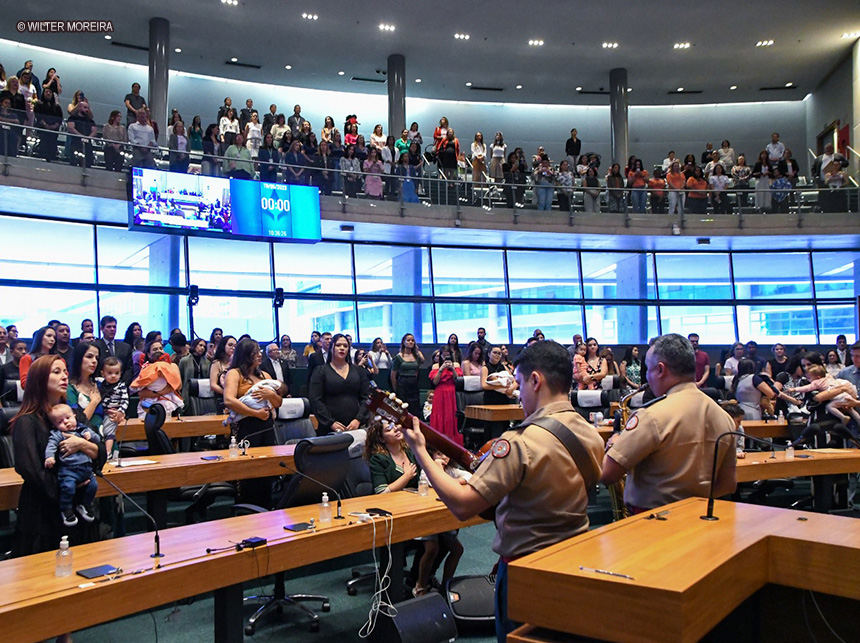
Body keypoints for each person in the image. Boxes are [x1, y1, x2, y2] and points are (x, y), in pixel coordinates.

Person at [403, 340, 604, 642]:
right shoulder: (590, 432)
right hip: (572, 561)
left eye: (519, 384)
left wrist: (420, 451)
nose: (517, 394)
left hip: (527, 571)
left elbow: (461, 506)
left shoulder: (519, 443)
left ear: (536, 381)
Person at [600, 334, 737, 514]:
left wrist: (615, 444)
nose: (647, 377)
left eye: (648, 369)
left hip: (652, 520)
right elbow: (728, 484)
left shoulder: (652, 416)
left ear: (660, 369)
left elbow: (607, 474)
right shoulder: (724, 417)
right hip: (701, 516)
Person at [12, 355, 105, 559]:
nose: (64, 376)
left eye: (64, 371)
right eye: (56, 372)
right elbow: (30, 469)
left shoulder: (75, 415)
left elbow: (100, 454)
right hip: (44, 512)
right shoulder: (27, 421)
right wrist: (67, 489)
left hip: (78, 509)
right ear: (39, 379)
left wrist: (81, 444)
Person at [223, 338, 285, 508]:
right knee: (247, 472)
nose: (259, 355)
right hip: (245, 428)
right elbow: (228, 400)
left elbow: (278, 402)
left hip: (266, 427)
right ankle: (244, 508)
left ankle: (265, 506)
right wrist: (254, 413)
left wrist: (270, 395)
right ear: (245, 354)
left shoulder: (264, 376)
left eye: (259, 351)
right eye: (255, 352)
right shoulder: (234, 373)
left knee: (266, 470)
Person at [44, 403, 100, 527]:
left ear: (74, 416)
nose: (66, 422)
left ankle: (84, 504)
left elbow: (98, 440)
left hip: (86, 469)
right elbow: (51, 445)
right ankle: (66, 509)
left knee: (93, 486)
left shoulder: (83, 429)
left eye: (68, 418)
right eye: (60, 421)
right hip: (69, 470)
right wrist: (49, 457)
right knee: (68, 488)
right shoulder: (58, 434)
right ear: (55, 425)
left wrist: (91, 436)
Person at [309, 333, 371, 435]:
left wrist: (358, 419)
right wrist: (330, 422)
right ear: (331, 348)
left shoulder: (358, 371)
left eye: (345, 346)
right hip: (329, 428)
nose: (342, 348)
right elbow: (316, 400)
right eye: (338, 345)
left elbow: (367, 398)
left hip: (355, 427)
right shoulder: (320, 371)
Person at [786, 364, 860, 427]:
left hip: (838, 397)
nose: (808, 379)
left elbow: (808, 389)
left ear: (817, 377)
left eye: (809, 378)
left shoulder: (816, 382)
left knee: (829, 406)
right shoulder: (828, 377)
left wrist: (794, 389)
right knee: (850, 409)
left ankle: (843, 417)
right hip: (845, 395)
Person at [428, 348, 464, 446]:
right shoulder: (436, 366)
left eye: (447, 355)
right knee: (440, 414)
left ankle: (453, 443)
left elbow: (458, 380)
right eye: (443, 355)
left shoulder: (456, 365)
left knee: (452, 415)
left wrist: (452, 369)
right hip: (440, 392)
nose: (445, 358)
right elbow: (435, 382)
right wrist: (441, 369)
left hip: (452, 393)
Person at [94, 315, 134, 386]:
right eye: (109, 327)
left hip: (122, 387)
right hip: (101, 387)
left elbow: (129, 369)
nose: (112, 329)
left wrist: (121, 384)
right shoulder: (96, 347)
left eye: (114, 327)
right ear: (102, 328)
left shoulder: (125, 347)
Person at [391, 333, 425, 414]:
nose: (411, 342)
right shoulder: (399, 357)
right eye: (408, 340)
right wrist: (396, 390)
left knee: (414, 408)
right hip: (402, 384)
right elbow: (393, 375)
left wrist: (418, 352)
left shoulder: (416, 356)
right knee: (403, 409)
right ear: (404, 342)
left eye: (412, 340)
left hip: (413, 384)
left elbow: (421, 363)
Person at [811, 143, 849, 213]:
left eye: (830, 148)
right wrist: (815, 176)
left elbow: (846, 163)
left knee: (837, 197)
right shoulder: (819, 158)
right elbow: (813, 168)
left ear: (833, 149)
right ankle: (824, 209)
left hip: (837, 181)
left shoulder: (838, 156)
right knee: (824, 196)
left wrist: (839, 163)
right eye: (827, 148)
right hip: (823, 180)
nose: (828, 150)